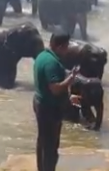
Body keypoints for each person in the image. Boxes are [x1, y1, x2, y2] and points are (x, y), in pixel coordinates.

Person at [33, 29, 81, 171]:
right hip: (49, 109)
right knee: (50, 147)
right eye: (67, 47)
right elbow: (55, 88)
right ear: (60, 46)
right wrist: (70, 79)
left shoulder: (42, 56)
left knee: (42, 141)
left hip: (40, 102)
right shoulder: (51, 63)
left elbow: (46, 88)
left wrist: (68, 97)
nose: (67, 51)